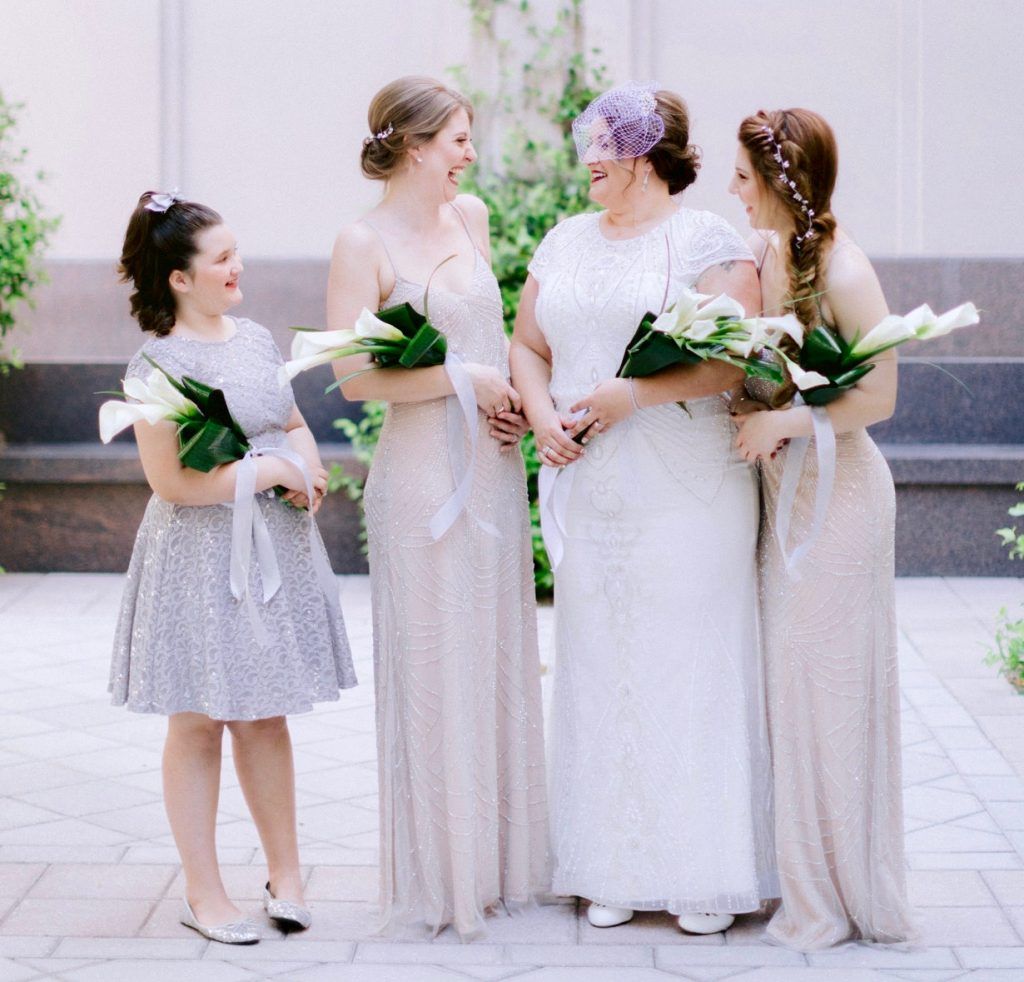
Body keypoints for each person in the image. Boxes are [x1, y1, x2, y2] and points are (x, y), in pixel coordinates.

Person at [510, 81, 777, 934]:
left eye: (601, 146)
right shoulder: (565, 237)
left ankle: (703, 872)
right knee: (601, 663)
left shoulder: (707, 238)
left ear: (642, 155)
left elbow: (738, 361)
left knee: (688, 662)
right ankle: (611, 863)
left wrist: (636, 394)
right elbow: (528, 343)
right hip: (595, 490)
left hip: (686, 484)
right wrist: (543, 415)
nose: (586, 160)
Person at [326, 77, 549, 939]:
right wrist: (463, 380)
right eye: (457, 137)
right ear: (414, 145)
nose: (468, 152)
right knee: (434, 664)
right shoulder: (361, 241)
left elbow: (496, 344)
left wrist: (509, 402)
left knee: (493, 654)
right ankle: (440, 879)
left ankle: (495, 865)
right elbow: (354, 376)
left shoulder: (475, 218)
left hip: (490, 464)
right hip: (421, 478)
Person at [109, 191, 356, 944]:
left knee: (265, 713)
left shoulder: (253, 339)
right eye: (221, 258)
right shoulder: (156, 366)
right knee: (198, 720)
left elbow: (290, 424)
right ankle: (204, 892)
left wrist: (306, 470)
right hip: (196, 555)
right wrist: (269, 475)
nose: (237, 266)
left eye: (235, 252)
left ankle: (287, 875)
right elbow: (173, 484)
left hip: (272, 545)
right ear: (179, 278)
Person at [730, 108, 916, 949]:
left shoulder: (846, 268)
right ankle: (805, 881)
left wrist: (790, 425)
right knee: (791, 692)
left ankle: (846, 891)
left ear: (778, 181)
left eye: (743, 176)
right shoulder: (766, 257)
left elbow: (877, 396)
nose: (733, 190)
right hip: (786, 498)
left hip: (840, 504)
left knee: (834, 694)